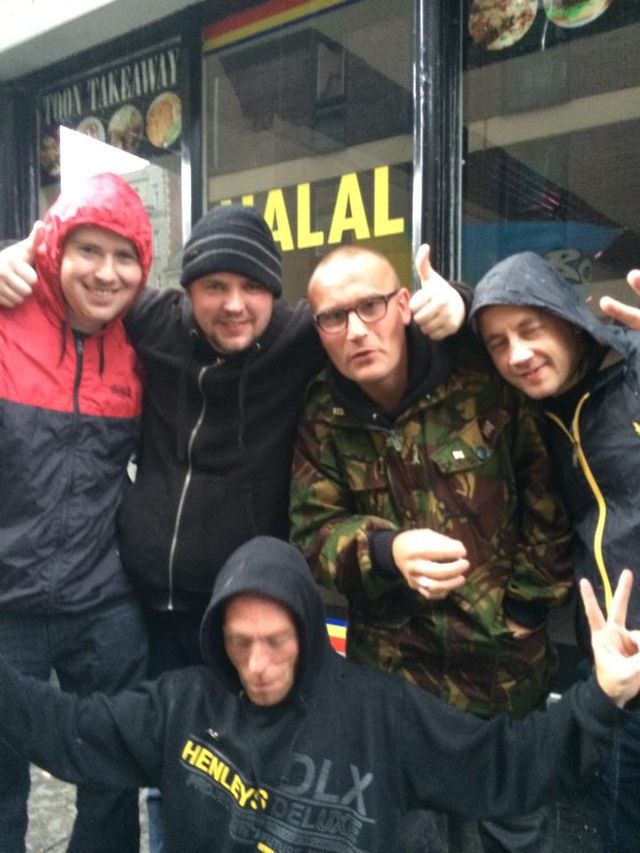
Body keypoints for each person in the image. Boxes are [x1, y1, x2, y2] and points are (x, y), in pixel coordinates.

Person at [0, 207, 466, 850]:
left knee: (240, 768)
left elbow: (382, 322)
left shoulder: (301, 337)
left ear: (276, 294)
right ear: (186, 291)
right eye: (214, 286)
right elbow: (81, 291)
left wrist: (459, 305)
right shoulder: (154, 323)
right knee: (156, 763)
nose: (235, 305)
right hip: (148, 609)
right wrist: (13, 262)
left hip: (243, 614)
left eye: (252, 287)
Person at [0, 535, 638, 853]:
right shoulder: (182, 704)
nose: (258, 665)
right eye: (239, 642)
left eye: (276, 641)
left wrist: (599, 697)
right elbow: (67, 729)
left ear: (307, 630)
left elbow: (505, 765)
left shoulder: (380, 714)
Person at [289, 245, 574, 852]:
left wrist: (525, 609)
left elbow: (549, 499)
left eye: (370, 306)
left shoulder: (480, 377)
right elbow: (312, 531)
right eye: (334, 318)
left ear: (403, 306)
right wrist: (385, 551)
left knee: (514, 833)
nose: (357, 331)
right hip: (395, 683)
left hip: (502, 678)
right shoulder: (323, 410)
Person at [0, 173, 151, 852]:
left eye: (125, 256)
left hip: (103, 600)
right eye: (89, 249)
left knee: (112, 766)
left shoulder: (142, 341)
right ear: (54, 248)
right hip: (7, 601)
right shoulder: (6, 313)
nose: (106, 272)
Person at [469, 252, 640, 853]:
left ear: (567, 320)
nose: (516, 354)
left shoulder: (634, 372)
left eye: (530, 329)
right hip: (617, 675)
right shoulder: (535, 416)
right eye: (497, 343)